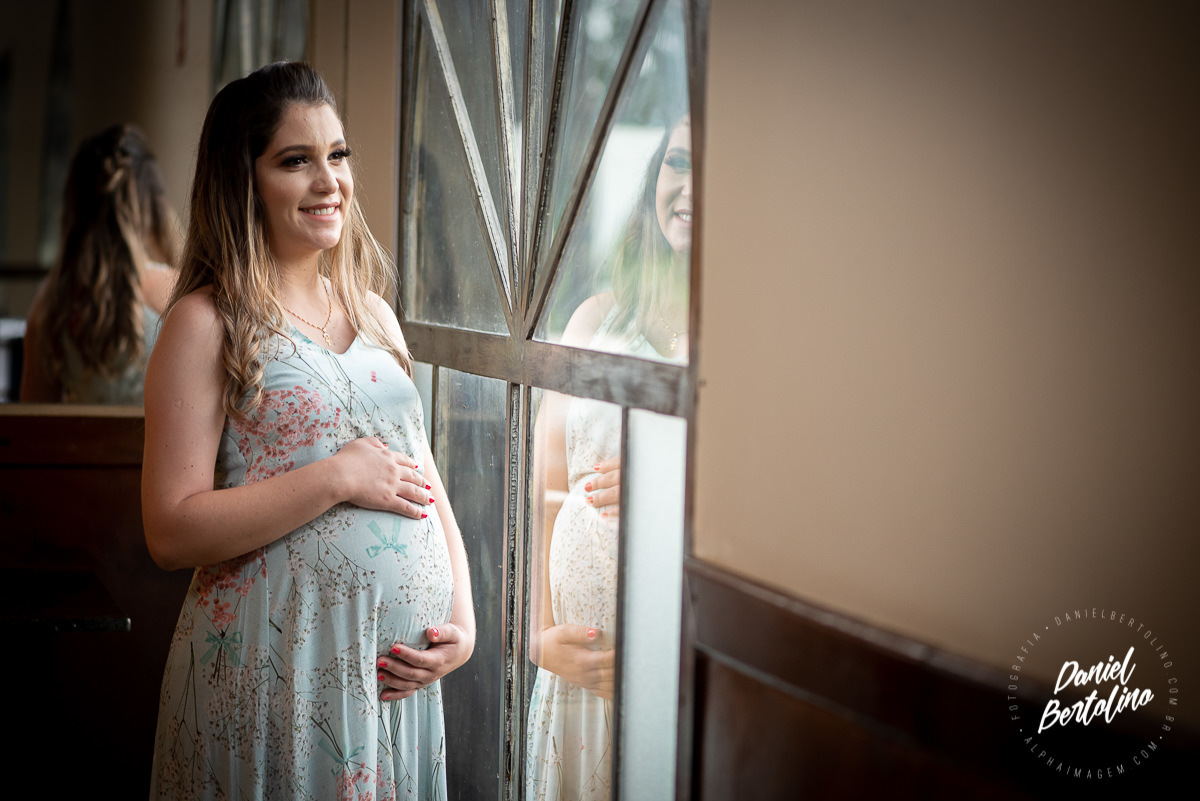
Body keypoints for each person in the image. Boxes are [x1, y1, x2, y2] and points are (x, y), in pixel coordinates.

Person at [143, 62, 475, 799]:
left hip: (393, 690)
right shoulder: (206, 324)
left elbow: (419, 468)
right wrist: (335, 478)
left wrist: (464, 613)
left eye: (337, 155)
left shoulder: (375, 313)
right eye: (296, 160)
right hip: (276, 676)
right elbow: (168, 530)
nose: (330, 181)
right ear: (245, 180)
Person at [525, 116, 691, 801]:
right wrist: (538, 636)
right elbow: (543, 493)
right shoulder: (597, 319)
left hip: (667, 676)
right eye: (678, 161)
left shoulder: (750, 344)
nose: (690, 186)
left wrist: (673, 485)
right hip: (573, 673)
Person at [20, 123, 178, 403]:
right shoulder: (178, 291)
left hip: (82, 448)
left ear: (75, 208)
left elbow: (36, 420)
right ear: (153, 205)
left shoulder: (52, 302)